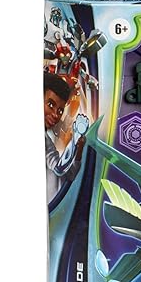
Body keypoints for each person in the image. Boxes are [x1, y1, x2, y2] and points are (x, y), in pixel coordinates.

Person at [44, 73, 89, 204]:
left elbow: (70, 175)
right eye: (50, 105)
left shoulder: (48, 139)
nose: (55, 115)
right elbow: (59, 169)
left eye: (59, 111)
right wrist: (75, 139)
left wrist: (78, 150)